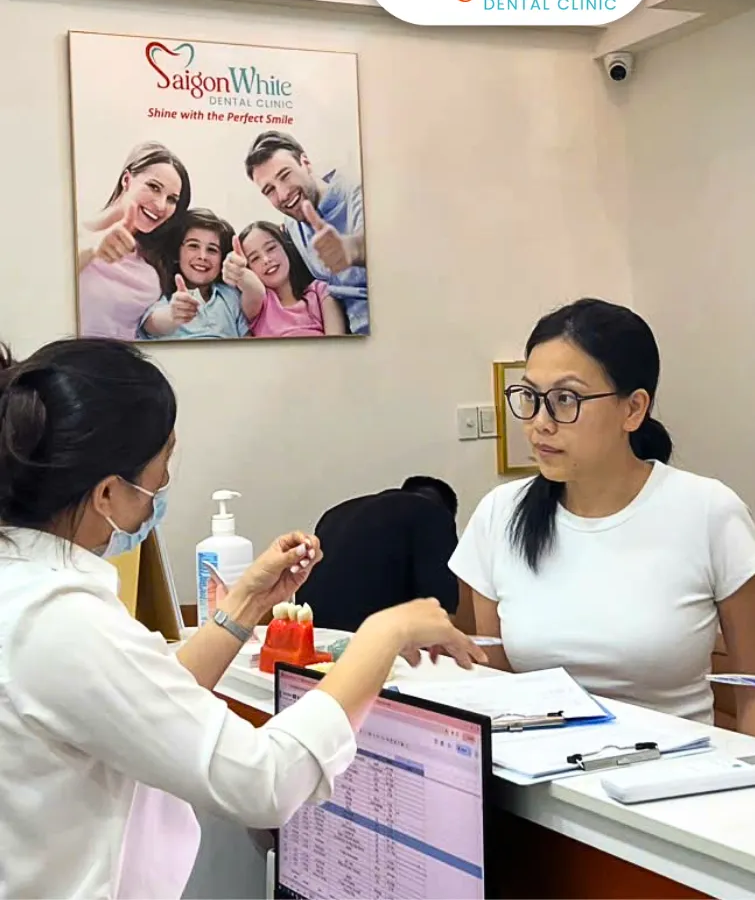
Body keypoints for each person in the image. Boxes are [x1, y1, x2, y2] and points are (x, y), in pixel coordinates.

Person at [0, 338, 484, 899]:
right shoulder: (60, 619)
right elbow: (265, 781)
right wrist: (383, 634)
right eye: (159, 474)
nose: (160, 494)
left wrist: (247, 605)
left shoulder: (27, 589)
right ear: (108, 493)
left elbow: (140, 699)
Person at [449, 299, 755, 736]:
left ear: (633, 409)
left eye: (565, 399)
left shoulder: (710, 512)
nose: (540, 423)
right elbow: (495, 685)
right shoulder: (500, 514)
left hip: (678, 771)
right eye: (530, 397)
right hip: (540, 770)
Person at [296, 477, 465, 632]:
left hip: (307, 635)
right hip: (367, 642)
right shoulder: (435, 514)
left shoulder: (336, 513)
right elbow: (441, 615)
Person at [244, 130, 369, 335]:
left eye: (285, 175)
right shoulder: (292, 225)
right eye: (269, 190)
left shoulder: (358, 191)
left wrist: (350, 250)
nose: (283, 194)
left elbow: (380, 241)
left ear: (306, 163)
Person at [77, 142, 192, 341]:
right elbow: (44, 283)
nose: (161, 205)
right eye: (154, 187)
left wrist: (174, 315)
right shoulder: (74, 233)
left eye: (172, 199)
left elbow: (148, 323)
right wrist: (94, 249)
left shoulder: (152, 260)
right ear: (127, 180)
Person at [140, 208, 248, 340]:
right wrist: (173, 314)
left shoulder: (230, 296)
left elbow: (250, 343)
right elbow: (152, 325)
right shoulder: (159, 294)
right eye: (193, 246)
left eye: (212, 249)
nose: (203, 256)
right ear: (176, 253)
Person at [223, 221, 346, 337]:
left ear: (285, 246)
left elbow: (336, 343)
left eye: (271, 248)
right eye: (255, 258)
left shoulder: (320, 291)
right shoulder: (259, 303)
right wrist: (239, 271)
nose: (266, 260)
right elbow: (254, 289)